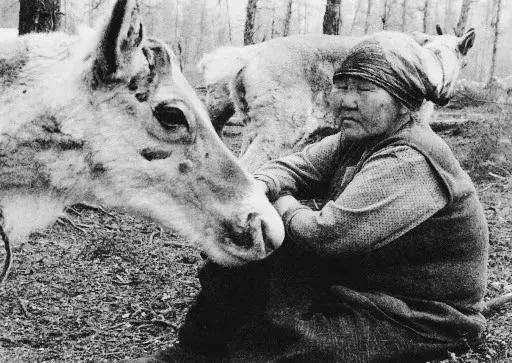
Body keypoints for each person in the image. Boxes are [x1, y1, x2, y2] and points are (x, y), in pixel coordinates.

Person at [128, 32, 489, 363]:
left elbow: (326, 236)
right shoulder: (358, 138)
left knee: (280, 348)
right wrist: (258, 190)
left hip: (418, 314)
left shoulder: (410, 158)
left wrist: (281, 201)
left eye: (364, 89)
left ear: (402, 99)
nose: (346, 101)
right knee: (247, 244)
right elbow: (290, 167)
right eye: (341, 85)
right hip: (362, 283)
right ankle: (190, 351)